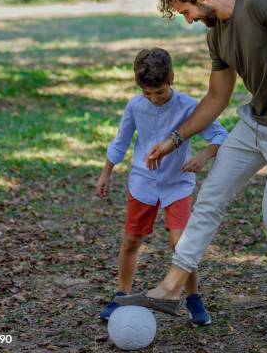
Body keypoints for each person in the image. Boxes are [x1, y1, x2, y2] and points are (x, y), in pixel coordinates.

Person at [117, 0, 267, 342]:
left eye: (186, 12)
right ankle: (171, 287)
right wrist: (175, 139)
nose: (188, 20)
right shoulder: (217, 37)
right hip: (255, 123)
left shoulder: (261, 3)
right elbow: (217, 97)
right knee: (211, 196)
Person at [96, 47, 227, 326]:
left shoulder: (189, 107)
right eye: (148, 94)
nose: (154, 99)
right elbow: (121, 141)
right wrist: (106, 173)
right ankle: (121, 294)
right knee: (131, 240)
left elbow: (219, 135)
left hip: (177, 184)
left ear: (172, 79)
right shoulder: (135, 106)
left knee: (182, 245)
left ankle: (193, 298)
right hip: (142, 183)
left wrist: (203, 156)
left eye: (160, 92)